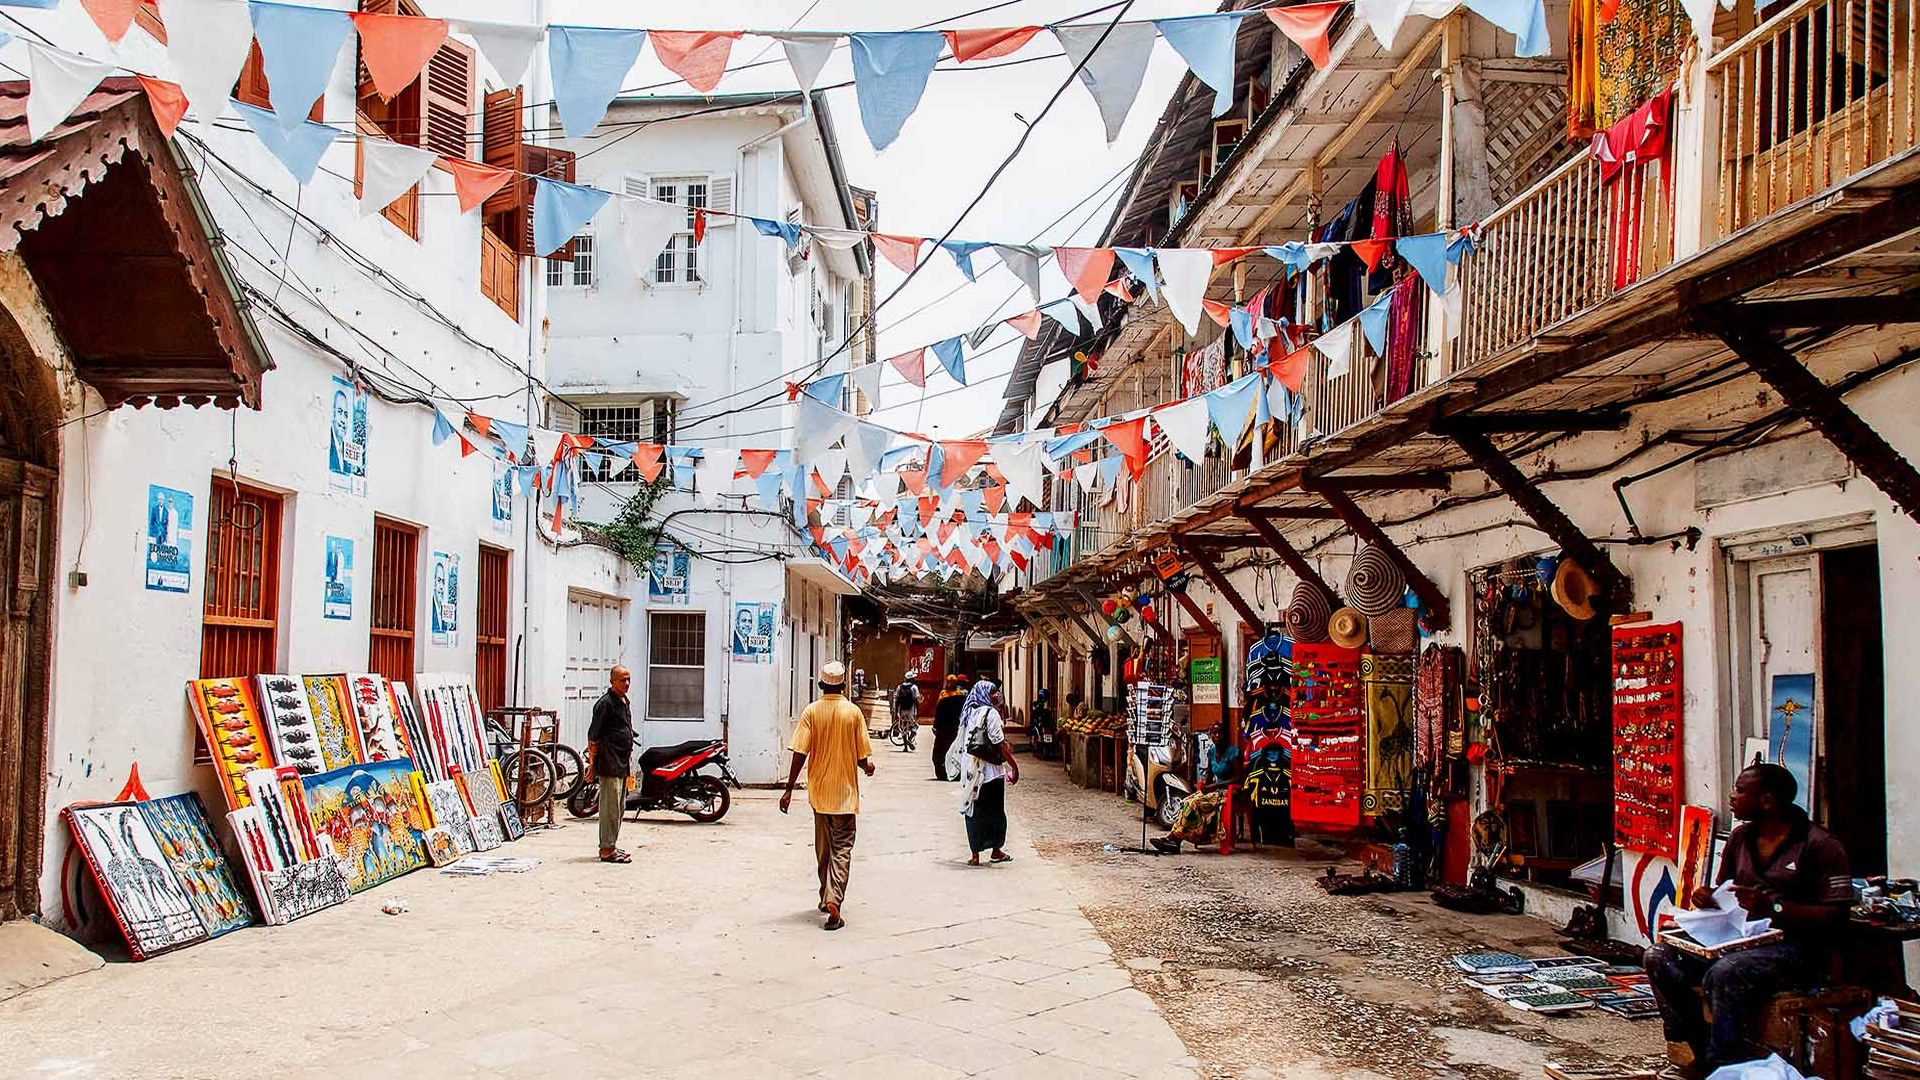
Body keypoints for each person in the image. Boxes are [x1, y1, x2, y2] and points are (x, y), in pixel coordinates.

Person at [1645, 763, 1852, 1076]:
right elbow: (1725, 890)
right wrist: (1709, 898)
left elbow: (1837, 915)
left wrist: (1776, 908)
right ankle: (1694, 1046)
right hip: (1739, 937)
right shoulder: (1740, 837)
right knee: (1659, 956)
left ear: (1766, 800)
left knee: (1725, 972)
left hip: (1796, 946)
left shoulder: (1820, 844)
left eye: (1740, 790)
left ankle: (1724, 1062)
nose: (1732, 796)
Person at [780, 661, 875, 931]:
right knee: (842, 848)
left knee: (823, 849)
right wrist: (867, 767)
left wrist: (789, 789)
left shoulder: (811, 712)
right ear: (843, 685)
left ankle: (826, 896)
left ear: (821, 685)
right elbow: (862, 757)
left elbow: (800, 752)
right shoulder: (853, 713)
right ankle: (833, 899)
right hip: (844, 795)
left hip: (820, 795)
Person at [1151, 724, 1243, 854]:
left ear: (1225, 735)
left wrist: (1215, 786)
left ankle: (1174, 839)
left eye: (1220, 733)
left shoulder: (1233, 752)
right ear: (1210, 736)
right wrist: (1205, 784)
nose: (1217, 736)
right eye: (1214, 733)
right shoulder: (1211, 751)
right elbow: (1210, 775)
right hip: (1216, 790)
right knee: (1186, 802)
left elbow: (1239, 777)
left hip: (1230, 791)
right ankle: (1174, 839)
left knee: (1193, 804)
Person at [957, 680, 1019, 865]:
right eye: (993, 692)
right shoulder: (991, 713)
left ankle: (975, 855)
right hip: (990, 772)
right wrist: (1014, 767)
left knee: (974, 812)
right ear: (985, 694)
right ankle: (996, 851)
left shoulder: (968, 712)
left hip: (972, 772)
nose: (996, 695)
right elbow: (999, 743)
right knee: (995, 812)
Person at [587, 666, 636, 864]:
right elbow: (593, 738)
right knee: (610, 808)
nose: (626, 684)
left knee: (619, 807)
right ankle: (606, 849)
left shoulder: (623, 702)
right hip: (609, 762)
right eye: (622, 680)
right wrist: (592, 766)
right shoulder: (605, 704)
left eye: (628, 680)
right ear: (612, 681)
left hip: (621, 763)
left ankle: (612, 845)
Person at [931, 674, 968, 780]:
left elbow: (939, 711)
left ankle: (943, 772)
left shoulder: (944, 696)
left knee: (942, 751)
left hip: (946, 729)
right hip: (954, 728)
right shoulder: (960, 695)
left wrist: (935, 726)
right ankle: (954, 772)